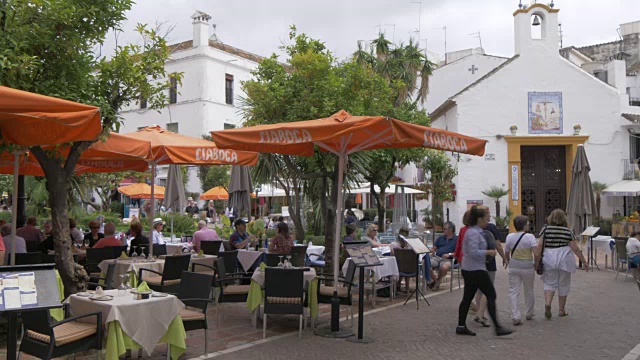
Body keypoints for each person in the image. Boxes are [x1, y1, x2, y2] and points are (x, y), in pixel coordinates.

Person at [456, 206, 511, 337]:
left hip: (471, 268)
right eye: (486, 219)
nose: (487, 222)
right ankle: (497, 327)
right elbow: (472, 251)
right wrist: (489, 252)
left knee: (467, 298)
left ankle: (461, 326)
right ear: (479, 219)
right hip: (475, 269)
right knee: (491, 294)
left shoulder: (474, 231)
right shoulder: (474, 233)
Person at [535, 209, 588, 319]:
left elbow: (540, 246)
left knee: (549, 282)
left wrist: (536, 260)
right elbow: (575, 248)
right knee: (563, 284)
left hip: (549, 259)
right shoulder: (567, 231)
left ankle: (548, 303)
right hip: (565, 260)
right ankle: (561, 310)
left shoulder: (545, 230)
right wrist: (584, 261)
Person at [473, 206, 507, 327]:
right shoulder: (491, 227)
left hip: (476, 262)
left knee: (479, 289)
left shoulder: (472, 228)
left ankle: (478, 311)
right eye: (488, 214)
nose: (489, 216)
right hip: (489, 261)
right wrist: (504, 257)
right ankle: (481, 313)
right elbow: (497, 244)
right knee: (488, 289)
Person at [504, 215, 539, 326]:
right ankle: (529, 313)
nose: (528, 224)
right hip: (528, 266)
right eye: (527, 223)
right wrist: (536, 264)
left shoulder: (509, 237)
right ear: (524, 225)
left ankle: (516, 316)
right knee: (529, 290)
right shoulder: (530, 237)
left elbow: (506, 252)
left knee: (513, 291)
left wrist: (509, 262)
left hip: (514, 265)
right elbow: (536, 253)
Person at [429, 221, 458, 291]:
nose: (443, 230)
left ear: (450, 230)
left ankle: (437, 281)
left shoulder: (457, 239)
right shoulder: (441, 238)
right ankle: (436, 282)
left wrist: (449, 254)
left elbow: (459, 252)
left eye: (445, 229)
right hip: (437, 257)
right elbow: (434, 247)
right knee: (426, 263)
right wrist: (431, 251)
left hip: (449, 259)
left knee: (444, 267)